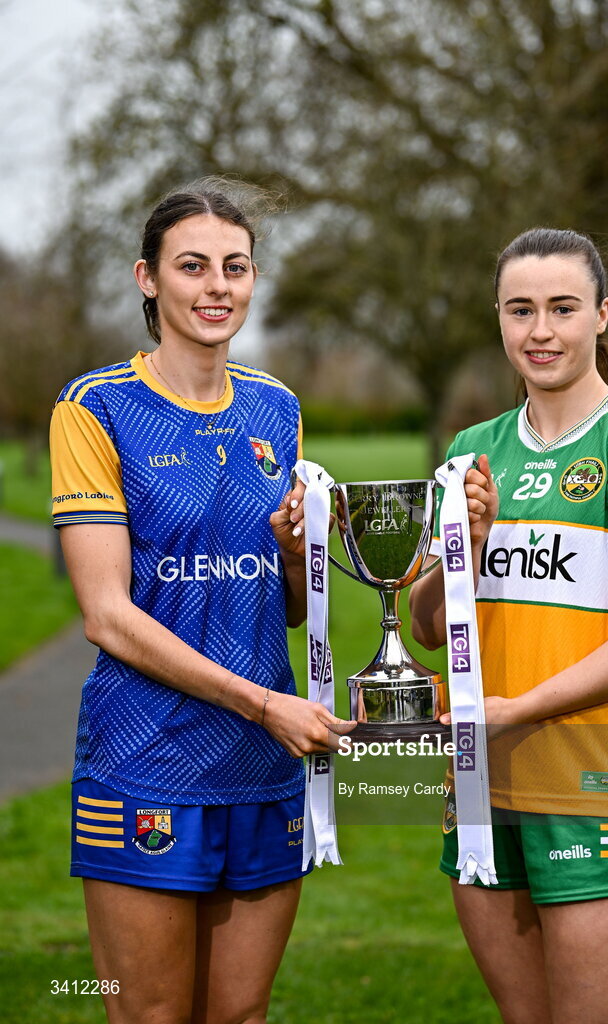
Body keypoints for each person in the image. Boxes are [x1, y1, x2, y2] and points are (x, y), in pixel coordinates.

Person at [49, 180, 353, 1024]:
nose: (217, 286)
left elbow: (288, 608)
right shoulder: (95, 407)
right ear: (149, 279)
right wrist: (264, 705)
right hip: (146, 761)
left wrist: (297, 555)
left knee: (241, 1017)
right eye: (192, 266)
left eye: (236, 267)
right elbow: (107, 614)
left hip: (262, 768)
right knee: (150, 1016)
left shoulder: (276, 407)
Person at [409, 228, 608, 1024]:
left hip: (597, 787)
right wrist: (459, 550)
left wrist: (519, 707)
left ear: (601, 315)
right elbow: (426, 624)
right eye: (521, 310)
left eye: (563, 308)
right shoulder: (474, 451)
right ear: (500, 319)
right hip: (481, 787)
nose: (540, 331)